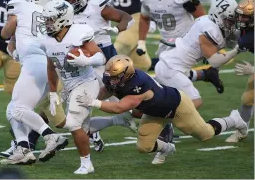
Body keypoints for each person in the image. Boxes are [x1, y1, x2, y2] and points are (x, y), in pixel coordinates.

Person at [76, 55, 248, 165]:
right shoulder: (116, 78)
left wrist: (92, 102)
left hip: (176, 105)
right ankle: (167, 148)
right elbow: (108, 90)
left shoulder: (139, 84)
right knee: (143, 147)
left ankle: (234, 119)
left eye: (116, 77)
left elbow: (121, 107)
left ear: (127, 74)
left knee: (205, 134)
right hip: (154, 112)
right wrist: (94, 97)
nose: (111, 80)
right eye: (110, 76)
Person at [60, 0, 136, 152]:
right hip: (82, 63)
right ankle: (97, 130)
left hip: (106, 61)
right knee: (77, 109)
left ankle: (163, 126)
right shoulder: (66, 13)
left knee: (130, 101)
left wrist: (117, 29)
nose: (71, 3)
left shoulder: (97, 7)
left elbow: (127, 17)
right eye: (67, 0)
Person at [0, 0, 68, 165]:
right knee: (12, 110)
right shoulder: (51, 15)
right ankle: (23, 149)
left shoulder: (21, 5)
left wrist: (9, 36)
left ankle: (50, 136)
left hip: (34, 63)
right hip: (50, 66)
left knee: (18, 109)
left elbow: (6, 33)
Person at [40, 0, 109, 174]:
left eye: (51, 19)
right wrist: (54, 92)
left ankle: (87, 164)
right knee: (82, 126)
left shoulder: (78, 33)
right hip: (68, 85)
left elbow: (101, 58)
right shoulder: (47, 40)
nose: (47, 23)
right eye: (46, 19)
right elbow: (51, 66)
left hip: (86, 82)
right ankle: (119, 120)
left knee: (73, 123)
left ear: (63, 19)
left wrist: (87, 60)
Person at [97, 0, 155, 71]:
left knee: (121, 46)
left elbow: (151, 0)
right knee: (141, 64)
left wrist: (152, 19)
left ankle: (104, 73)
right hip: (120, 19)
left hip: (137, 17)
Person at [225, 0, 254, 143]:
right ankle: (242, 131)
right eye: (240, 16)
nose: (241, 20)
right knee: (248, 99)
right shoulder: (248, 33)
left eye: (245, 17)